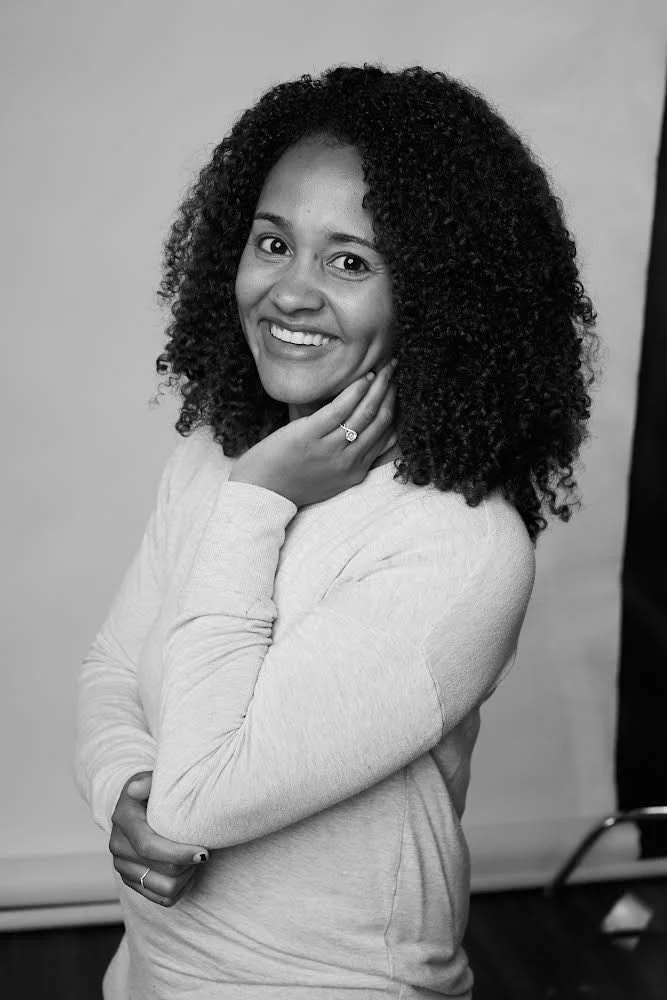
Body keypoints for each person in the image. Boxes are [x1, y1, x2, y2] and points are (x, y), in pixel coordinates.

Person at [74, 63, 601, 999]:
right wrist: (121, 789)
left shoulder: (459, 546)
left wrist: (260, 500)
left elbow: (202, 793)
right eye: (272, 242)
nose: (291, 291)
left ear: (438, 297)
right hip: (148, 973)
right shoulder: (212, 456)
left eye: (350, 261)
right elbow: (114, 671)